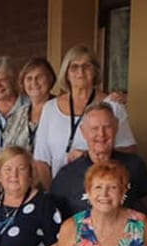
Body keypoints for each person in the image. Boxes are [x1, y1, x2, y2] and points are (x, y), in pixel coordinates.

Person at [34, 44, 136, 186]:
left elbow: (129, 151)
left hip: (103, 190)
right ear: (66, 73)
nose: (80, 71)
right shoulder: (50, 108)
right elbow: (41, 160)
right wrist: (51, 192)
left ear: (95, 71)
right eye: (74, 67)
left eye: (86, 66)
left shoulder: (113, 106)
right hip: (61, 191)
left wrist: (88, 154)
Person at [50, 102, 147, 219]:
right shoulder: (67, 175)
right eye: (95, 128)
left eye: (107, 127)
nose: (101, 134)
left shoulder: (135, 166)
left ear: (116, 127)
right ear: (83, 132)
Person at [3, 57, 56, 152]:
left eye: (39, 77)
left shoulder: (62, 109)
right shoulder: (16, 115)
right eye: (29, 78)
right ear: (23, 83)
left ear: (50, 79)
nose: (34, 82)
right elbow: (7, 150)